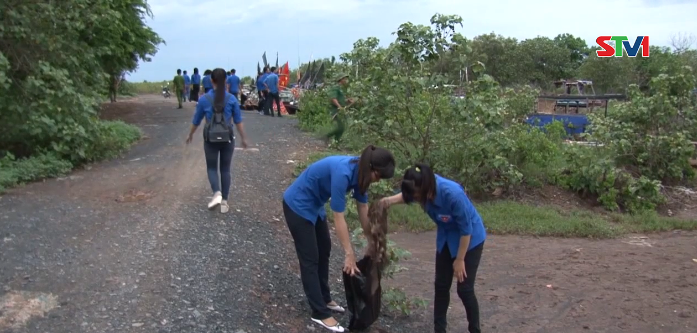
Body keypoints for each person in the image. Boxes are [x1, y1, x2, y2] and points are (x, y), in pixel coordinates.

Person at [282, 145, 396, 332]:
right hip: (298, 205)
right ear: (371, 168)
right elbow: (338, 216)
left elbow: (362, 208)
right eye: (378, 176)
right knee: (310, 258)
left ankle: (325, 298)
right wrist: (349, 253)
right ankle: (319, 312)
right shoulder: (343, 173)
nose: (377, 181)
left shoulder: (361, 175)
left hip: (315, 205)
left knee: (324, 249)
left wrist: (370, 241)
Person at [379, 164, 486, 333]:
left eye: (416, 194)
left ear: (427, 188)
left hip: (469, 240)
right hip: (445, 239)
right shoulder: (419, 186)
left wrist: (459, 260)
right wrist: (387, 201)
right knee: (441, 285)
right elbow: (407, 196)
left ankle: (475, 330)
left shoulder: (452, 194)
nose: (415, 198)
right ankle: (439, 329)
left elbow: (467, 230)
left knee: (464, 289)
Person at [186, 68, 249, 213]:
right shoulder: (231, 99)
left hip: (210, 139)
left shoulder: (203, 100)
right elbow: (238, 121)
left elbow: (196, 121)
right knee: (225, 169)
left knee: (212, 168)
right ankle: (225, 202)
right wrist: (244, 138)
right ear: (225, 81)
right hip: (227, 138)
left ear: (211, 81)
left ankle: (217, 193)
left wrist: (190, 135)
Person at [326, 74, 353, 143]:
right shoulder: (336, 88)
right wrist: (339, 107)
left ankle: (335, 142)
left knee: (342, 128)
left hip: (341, 110)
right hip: (336, 110)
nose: (346, 80)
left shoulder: (341, 89)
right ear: (341, 79)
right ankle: (328, 136)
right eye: (345, 79)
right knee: (340, 127)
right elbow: (333, 99)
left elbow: (341, 100)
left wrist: (348, 100)